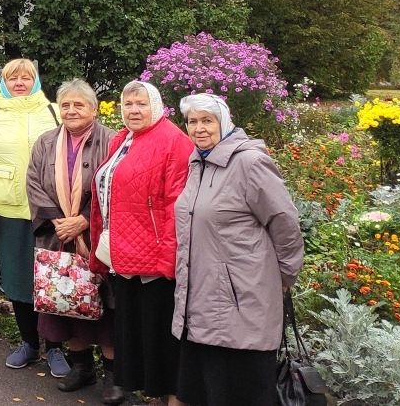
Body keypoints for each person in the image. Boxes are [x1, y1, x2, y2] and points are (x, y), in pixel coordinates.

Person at [173, 94, 303, 406]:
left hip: (240, 299)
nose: (199, 128)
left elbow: (284, 222)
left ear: (225, 122)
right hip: (203, 296)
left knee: (242, 390)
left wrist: (284, 277)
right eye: (193, 122)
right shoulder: (199, 161)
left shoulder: (248, 162)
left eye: (207, 120)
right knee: (211, 388)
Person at [89, 81, 194, 406]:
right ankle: (152, 393)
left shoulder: (173, 142)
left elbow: (176, 207)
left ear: (157, 105)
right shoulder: (123, 139)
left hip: (155, 263)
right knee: (136, 332)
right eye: (128, 104)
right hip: (125, 256)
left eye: (141, 104)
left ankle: (172, 399)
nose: (134, 110)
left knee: (162, 337)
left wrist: (167, 262)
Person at [25, 79, 125, 403]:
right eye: (65, 105)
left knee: (106, 309)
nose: (71, 110)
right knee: (65, 304)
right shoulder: (45, 142)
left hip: (97, 239)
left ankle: (115, 379)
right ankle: (82, 369)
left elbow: (116, 186)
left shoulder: (111, 141)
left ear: (94, 109)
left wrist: (83, 219)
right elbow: (33, 184)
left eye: (78, 105)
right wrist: (58, 221)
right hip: (58, 238)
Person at [0, 59, 64, 373]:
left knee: (50, 280)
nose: (20, 83)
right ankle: (29, 344)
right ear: (4, 83)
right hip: (9, 212)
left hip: (49, 212)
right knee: (19, 280)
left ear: (36, 81)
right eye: (13, 78)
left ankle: (55, 348)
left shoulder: (54, 113)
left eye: (26, 77)